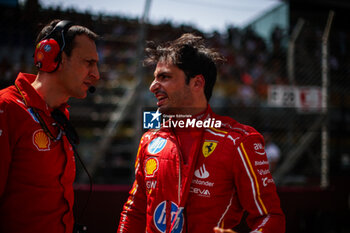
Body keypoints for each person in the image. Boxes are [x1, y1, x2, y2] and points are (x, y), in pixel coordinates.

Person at [117, 33, 285, 233]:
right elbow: (134, 211)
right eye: (155, 78)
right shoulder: (150, 140)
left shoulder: (239, 142)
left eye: (165, 77)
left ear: (197, 83)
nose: (153, 86)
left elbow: (270, 217)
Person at [0, 19, 99, 233]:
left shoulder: (59, 115)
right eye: (88, 63)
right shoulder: (6, 109)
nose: (96, 74)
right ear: (56, 57)